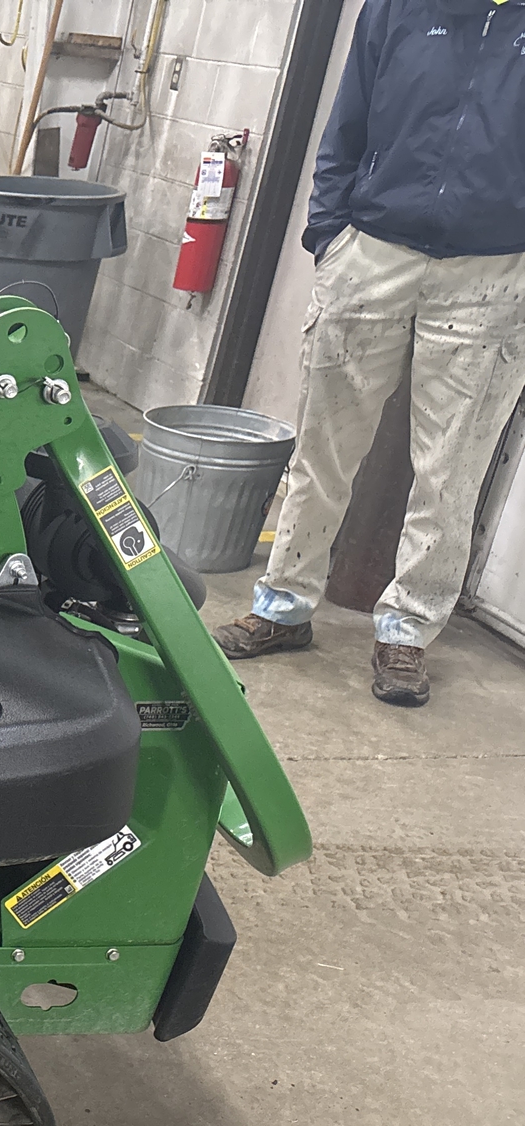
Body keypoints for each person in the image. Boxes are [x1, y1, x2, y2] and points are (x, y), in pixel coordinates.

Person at [212, 0, 525, 705]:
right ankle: (282, 607)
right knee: (323, 448)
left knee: (452, 468)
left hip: (494, 274)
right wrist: (332, 236)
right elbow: (347, 122)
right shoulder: (399, 9)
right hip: (374, 254)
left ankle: (408, 632)